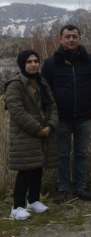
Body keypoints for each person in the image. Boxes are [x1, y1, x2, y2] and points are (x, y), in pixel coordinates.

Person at [42, 24, 91, 202]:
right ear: (61, 39)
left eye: (74, 36)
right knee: (63, 154)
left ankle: (80, 187)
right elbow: (46, 90)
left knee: (81, 153)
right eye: (67, 36)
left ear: (80, 38)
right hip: (61, 117)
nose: (71, 39)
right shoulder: (51, 63)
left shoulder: (90, 61)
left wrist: (88, 101)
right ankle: (63, 188)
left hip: (84, 116)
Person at [5, 50, 58, 220]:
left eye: (36, 61)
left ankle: (33, 200)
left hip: (44, 132)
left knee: (38, 167)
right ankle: (17, 206)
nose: (34, 64)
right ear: (22, 64)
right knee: (25, 170)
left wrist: (50, 125)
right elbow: (17, 111)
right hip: (25, 134)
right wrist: (37, 128)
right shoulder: (15, 84)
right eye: (29, 62)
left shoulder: (42, 82)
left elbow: (53, 106)